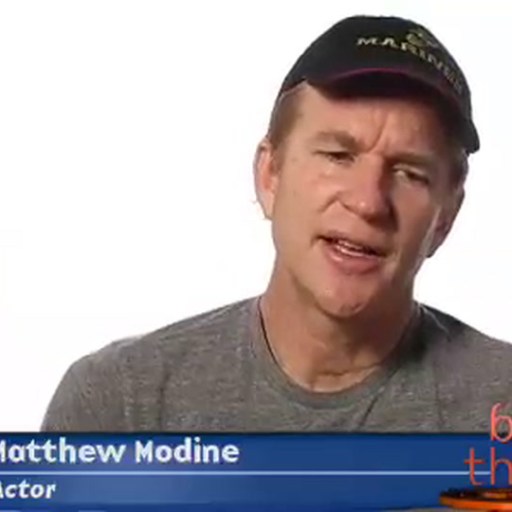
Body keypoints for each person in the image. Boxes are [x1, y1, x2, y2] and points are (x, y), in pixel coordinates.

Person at [42, 15, 512, 432]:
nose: (368, 202)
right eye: (337, 155)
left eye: (410, 173)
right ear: (269, 175)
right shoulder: (122, 406)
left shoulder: (500, 406)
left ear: (446, 217)